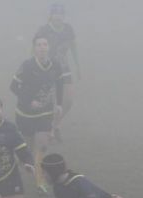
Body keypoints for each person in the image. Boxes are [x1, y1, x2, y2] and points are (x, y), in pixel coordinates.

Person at [10, 35, 70, 194]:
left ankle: (40, 182)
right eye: (39, 45)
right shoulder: (27, 65)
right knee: (27, 150)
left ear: (49, 47)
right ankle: (15, 168)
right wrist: (29, 101)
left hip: (45, 113)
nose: (42, 47)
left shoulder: (55, 65)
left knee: (42, 146)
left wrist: (58, 104)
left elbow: (59, 84)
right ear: (34, 48)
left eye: (45, 44)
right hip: (25, 114)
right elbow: (13, 86)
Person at [35, 2, 80, 140]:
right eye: (55, 13)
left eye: (60, 14)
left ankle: (55, 124)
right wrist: (34, 66)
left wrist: (78, 66)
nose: (58, 16)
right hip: (47, 68)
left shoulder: (68, 29)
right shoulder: (44, 30)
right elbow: (34, 49)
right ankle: (48, 129)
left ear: (64, 15)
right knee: (49, 100)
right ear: (50, 15)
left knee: (69, 100)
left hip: (64, 67)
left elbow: (73, 48)